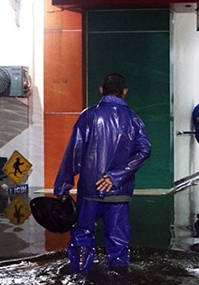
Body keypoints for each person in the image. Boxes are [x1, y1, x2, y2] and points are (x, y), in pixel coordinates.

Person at [54, 73, 151, 273]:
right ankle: (117, 284)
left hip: (89, 190)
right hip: (119, 192)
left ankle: (79, 279)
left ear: (101, 90)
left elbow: (74, 151)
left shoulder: (88, 116)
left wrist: (63, 186)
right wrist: (116, 177)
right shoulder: (133, 119)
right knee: (118, 242)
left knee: (82, 237)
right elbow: (144, 150)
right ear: (125, 92)